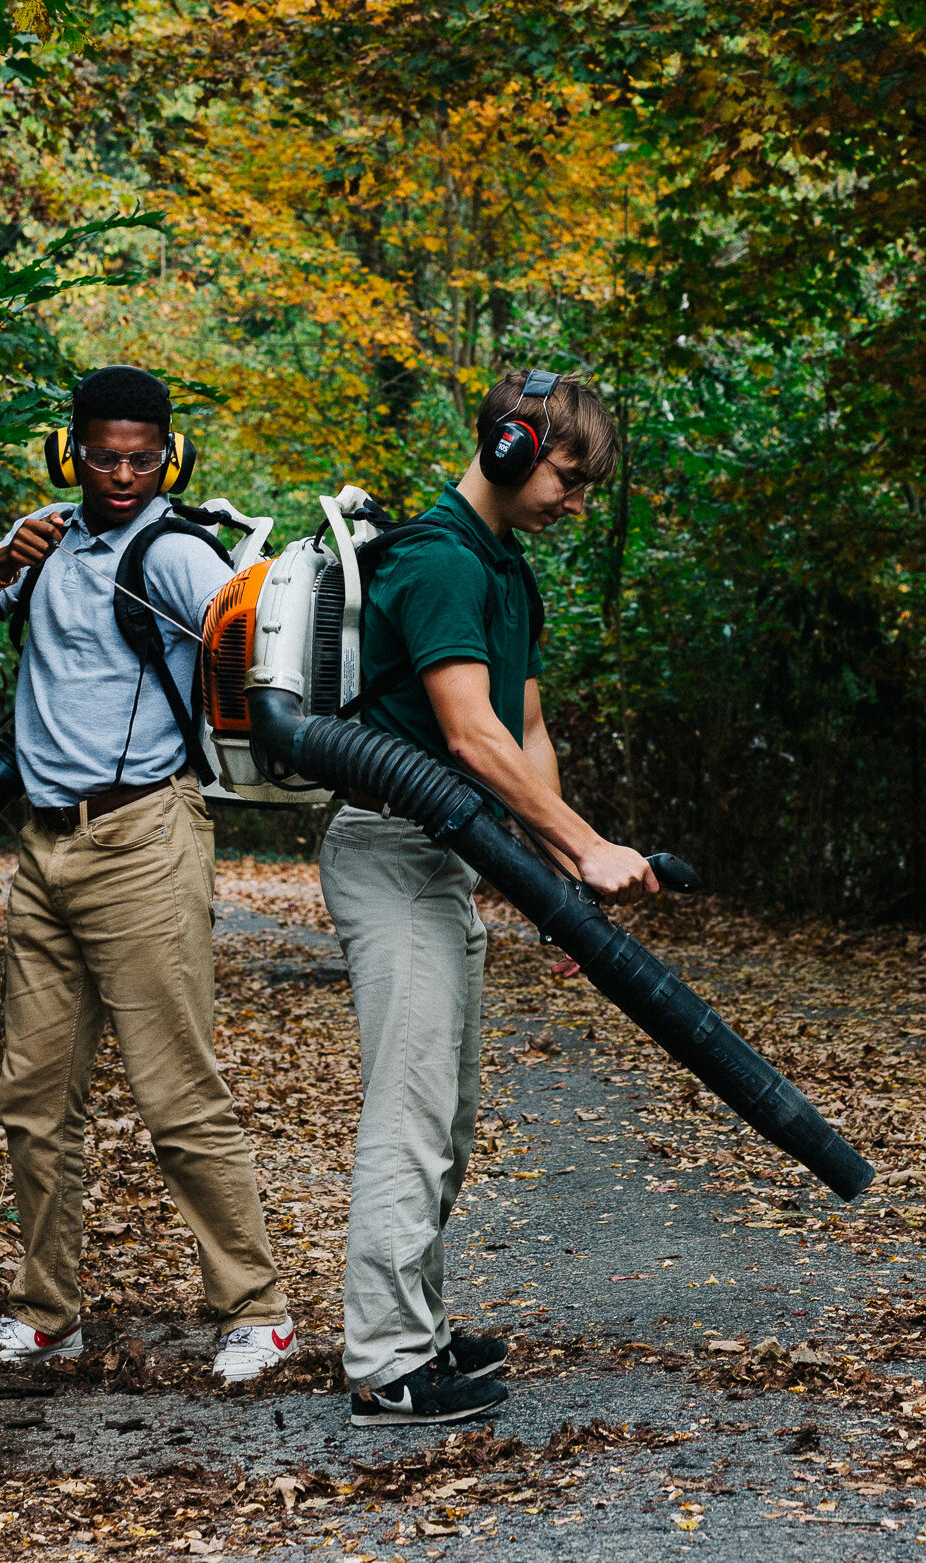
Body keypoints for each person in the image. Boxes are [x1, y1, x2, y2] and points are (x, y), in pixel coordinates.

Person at [0, 365, 296, 1382]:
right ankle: (48, 1311)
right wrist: (1, 562)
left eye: (141, 457)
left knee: (178, 1094)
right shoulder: (42, 540)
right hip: (42, 848)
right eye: (103, 454)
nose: (122, 473)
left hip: (144, 837)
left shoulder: (173, 554)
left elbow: (260, 639)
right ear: (69, 450)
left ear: (167, 456)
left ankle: (257, 1309)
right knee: (34, 1098)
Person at [320, 369, 659, 1427]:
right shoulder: (435, 560)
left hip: (449, 857)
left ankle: (414, 1319)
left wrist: (562, 865)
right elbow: (465, 735)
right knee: (412, 1111)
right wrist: (587, 844)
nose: (578, 501)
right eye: (568, 475)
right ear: (510, 450)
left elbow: (524, 729)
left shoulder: (504, 570)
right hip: (391, 848)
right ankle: (386, 1363)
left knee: (449, 1116)